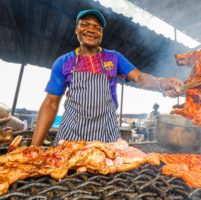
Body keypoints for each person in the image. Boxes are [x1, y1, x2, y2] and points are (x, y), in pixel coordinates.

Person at [31, 9, 183, 146]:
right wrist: (34, 148)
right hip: (70, 138)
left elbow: (140, 77)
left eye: (97, 28)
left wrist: (162, 82)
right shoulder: (63, 62)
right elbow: (50, 104)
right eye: (85, 24)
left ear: (101, 34)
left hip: (106, 139)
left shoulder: (114, 58)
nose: (91, 30)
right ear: (76, 29)